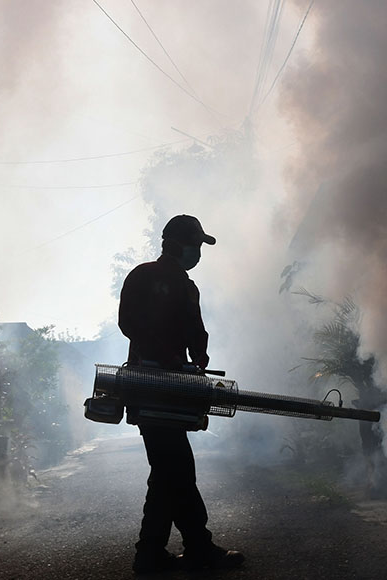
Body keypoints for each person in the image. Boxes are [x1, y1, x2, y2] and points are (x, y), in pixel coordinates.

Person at [118, 214, 245, 574]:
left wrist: (199, 358)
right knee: (176, 469)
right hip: (150, 385)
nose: (198, 253)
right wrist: (168, 356)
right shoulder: (143, 276)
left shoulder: (188, 287)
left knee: (166, 473)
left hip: (176, 389)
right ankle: (198, 548)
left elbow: (196, 332)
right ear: (175, 244)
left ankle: (150, 554)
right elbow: (130, 324)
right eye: (196, 245)